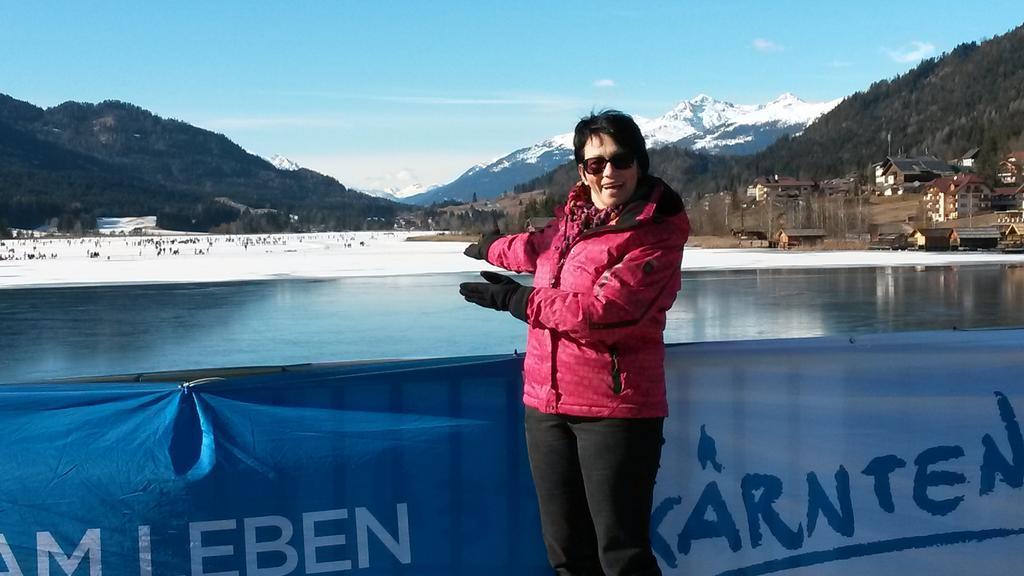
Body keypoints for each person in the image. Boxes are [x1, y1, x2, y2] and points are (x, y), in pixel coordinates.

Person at [459, 110, 690, 576]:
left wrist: (515, 300)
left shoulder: (656, 234)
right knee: (566, 554)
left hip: (615, 412)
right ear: (581, 171)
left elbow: (606, 313)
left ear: (639, 164)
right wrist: (492, 248)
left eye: (619, 160)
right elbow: (537, 249)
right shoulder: (572, 222)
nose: (608, 172)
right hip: (545, 406)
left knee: (621, 556)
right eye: (594, 164)